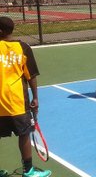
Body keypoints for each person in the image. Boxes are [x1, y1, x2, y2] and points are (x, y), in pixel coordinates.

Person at [0, 16, 52, 177]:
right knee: (24, 135)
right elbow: (31, 76)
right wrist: (35, 97)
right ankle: (28, 170)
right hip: (17, 101)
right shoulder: (23, 47)